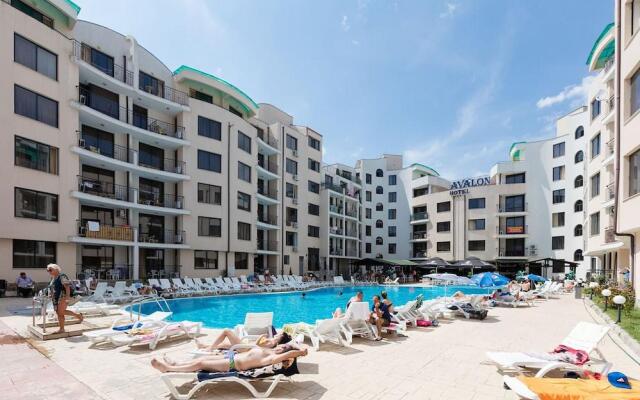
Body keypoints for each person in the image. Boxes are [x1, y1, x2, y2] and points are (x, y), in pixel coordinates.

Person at [151, 343, 308, 373]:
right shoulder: (270, 350)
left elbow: (291, 353)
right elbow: (293, 343)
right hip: (233, 357)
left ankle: (168, 368)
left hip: (234, 364)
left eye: (283, 348)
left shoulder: (273, 358)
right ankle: (178, 363)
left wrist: (299, 352)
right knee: (209, 356)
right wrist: (296, 345)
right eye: (282, 346)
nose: (280, 347)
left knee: (201, 362)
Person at [47, 264, 82, 333]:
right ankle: (78, 316)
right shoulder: (53, 278)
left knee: (60, 312)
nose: (49, 271)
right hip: (56, 298)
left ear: (56, 269)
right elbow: (52, 288)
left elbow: (67, 287)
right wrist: (50, 294)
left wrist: (67, 298)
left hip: (63, 296)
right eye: (48, 270)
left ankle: (62, 329)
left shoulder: (62, 276)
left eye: (50, 269)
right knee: (59, 312)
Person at [196, 329, 291, 352]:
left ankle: (210, 348)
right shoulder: (272, 341)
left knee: (226, 331)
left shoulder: (273, 342)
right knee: (224, 344)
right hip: (247, 347)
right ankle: (204, 346)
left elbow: (258, 345)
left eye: (280, 334)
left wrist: (261, 336)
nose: (278, 333)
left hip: (246, 349)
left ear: (281, 338)